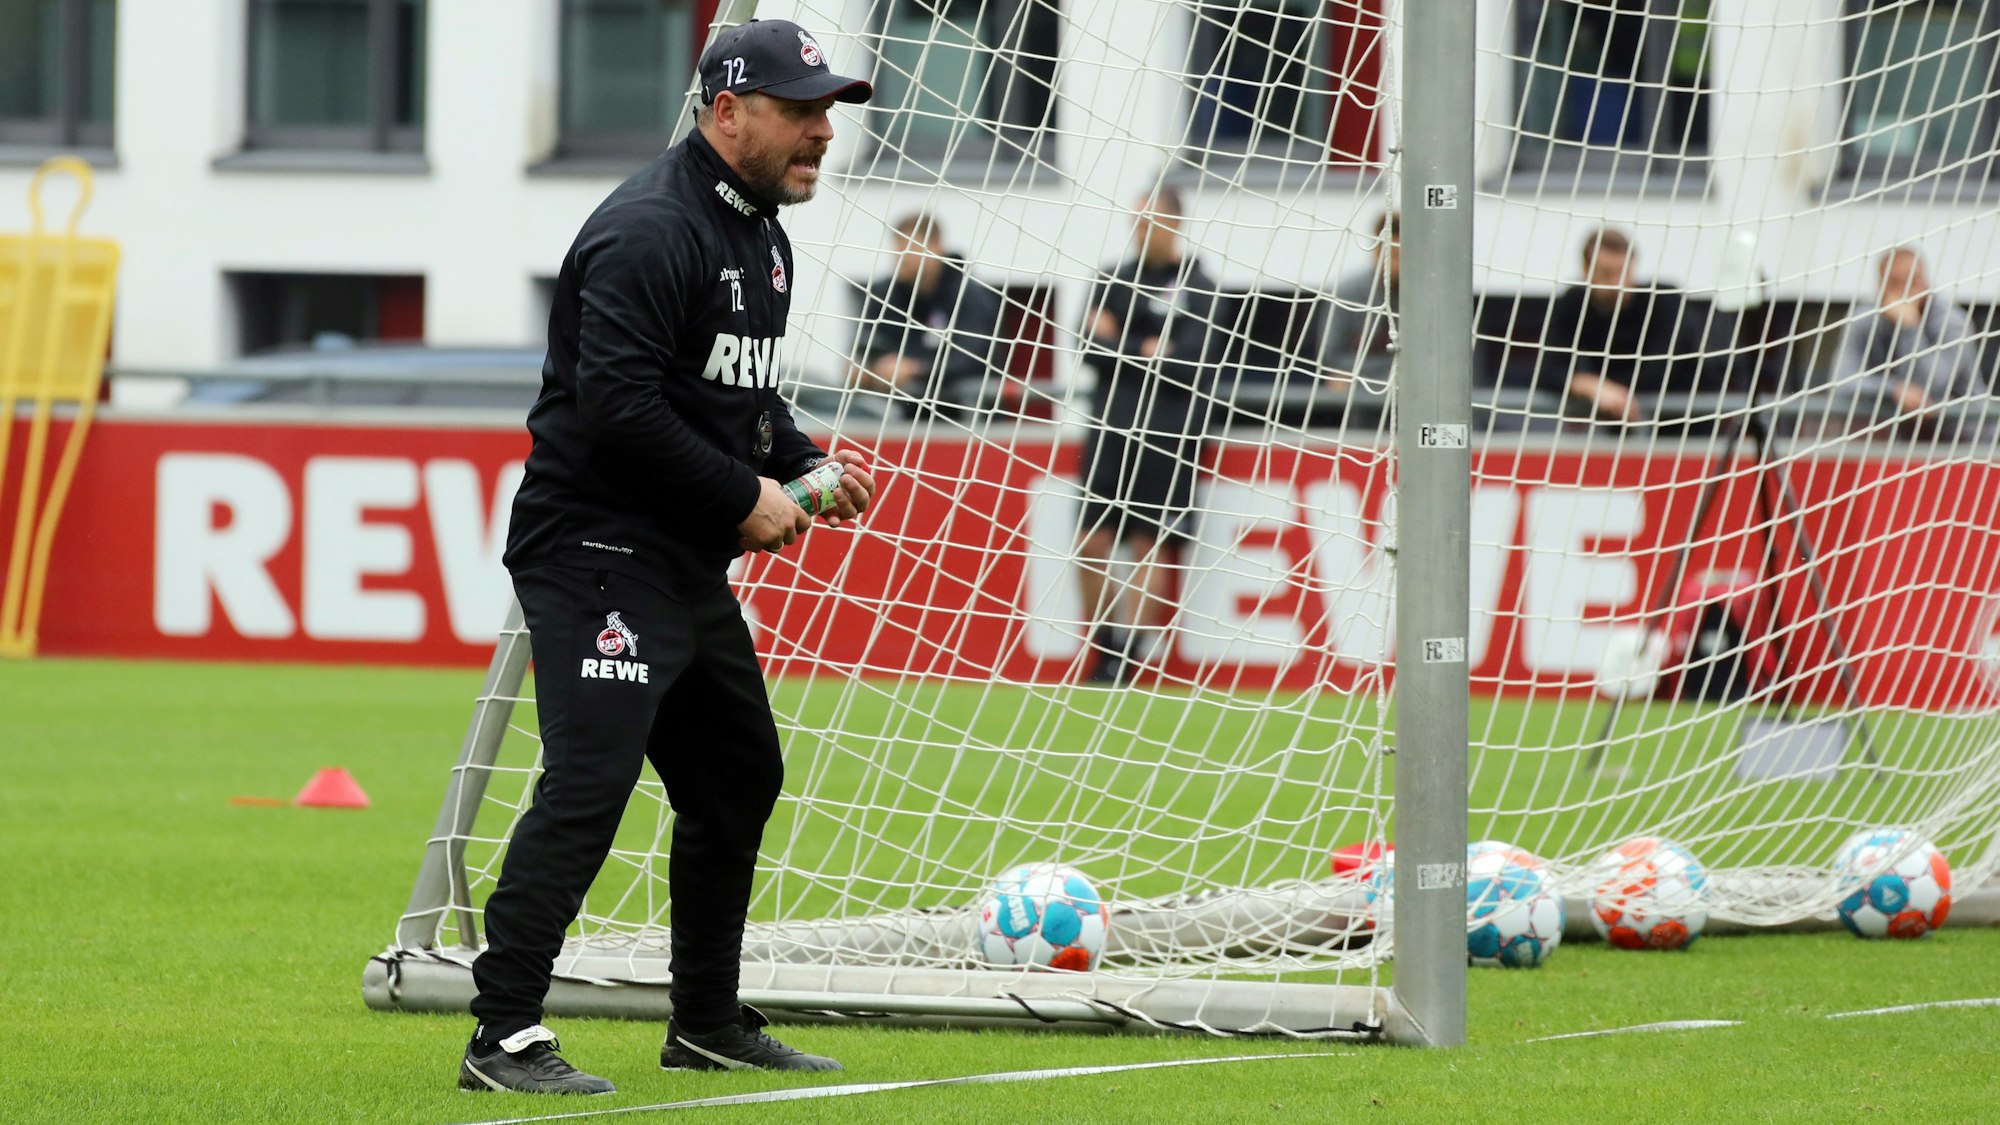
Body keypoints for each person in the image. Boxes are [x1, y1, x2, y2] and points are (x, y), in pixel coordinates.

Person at [461, 20, 877, 1095]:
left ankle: (705, 1023)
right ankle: (502, 1035)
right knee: (590, 782)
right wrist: (742, 495)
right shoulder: (651, 227)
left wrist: (800, 459)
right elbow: (617, 405)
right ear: (727, 110)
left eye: (827, 110)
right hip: (593, 547)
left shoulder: (760, 232)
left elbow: (736, 395)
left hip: (673, 557)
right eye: (800, 110)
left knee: (737, 775)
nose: (823, 132)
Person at [1074, 187, 1219, 684]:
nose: (1140, 231)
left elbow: (1189, 363)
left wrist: (1119, 341)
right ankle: (1104, 649)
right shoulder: (1112, 279)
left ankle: (1129, 656)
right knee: (1090, 543)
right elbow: (1088, 348)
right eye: (1136, 222)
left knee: (1147, 543)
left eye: (1150, 221)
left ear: (1175, 224)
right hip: (1110, 429)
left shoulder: (1200, 286)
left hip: (1168, 432)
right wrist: (1148, 347)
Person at [1537, 226, 1709, 423]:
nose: (1616, 284)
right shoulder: (1574, 302)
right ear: (1586, 271)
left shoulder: (1664, 300)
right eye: (1606, 274)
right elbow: (1548, 372)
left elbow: (1661, 374)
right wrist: (1591, 386)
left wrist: (1603, 389)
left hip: (1686, 422)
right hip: (1623, 423)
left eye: (1623, 273)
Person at [850, 211, 1004, 421]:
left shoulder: (970, 296)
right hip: (902, 418)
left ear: (936, 246)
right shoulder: (885, 294)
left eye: (910, 250)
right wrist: (866, 367)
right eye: (897, 250)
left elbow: (973, 359)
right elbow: (869, 344)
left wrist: (915, 369)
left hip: (965, 419)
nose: (901, 259)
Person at [1832, 246, 1991, 427]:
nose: (1904, 292)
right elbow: (1842, 381)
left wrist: (1909, 327)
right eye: (1894, 283)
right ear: (1880, 287)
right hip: (1899, 437)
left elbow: (1927, 387)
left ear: (1925, 283)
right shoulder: (1864, 319)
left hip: (1964, 436)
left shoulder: (1952, 322)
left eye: (1911, 282)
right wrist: (1894, 390)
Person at [1318, 209, 1400, 392]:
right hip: (1359, 386)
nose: (1398, 265)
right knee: (1337, 381)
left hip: (1409, 386)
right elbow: (1330, 356)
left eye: (1404, 257)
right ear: (1376, 253)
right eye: (1393, 256)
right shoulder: (1348, 291)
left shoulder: (1425, 295)